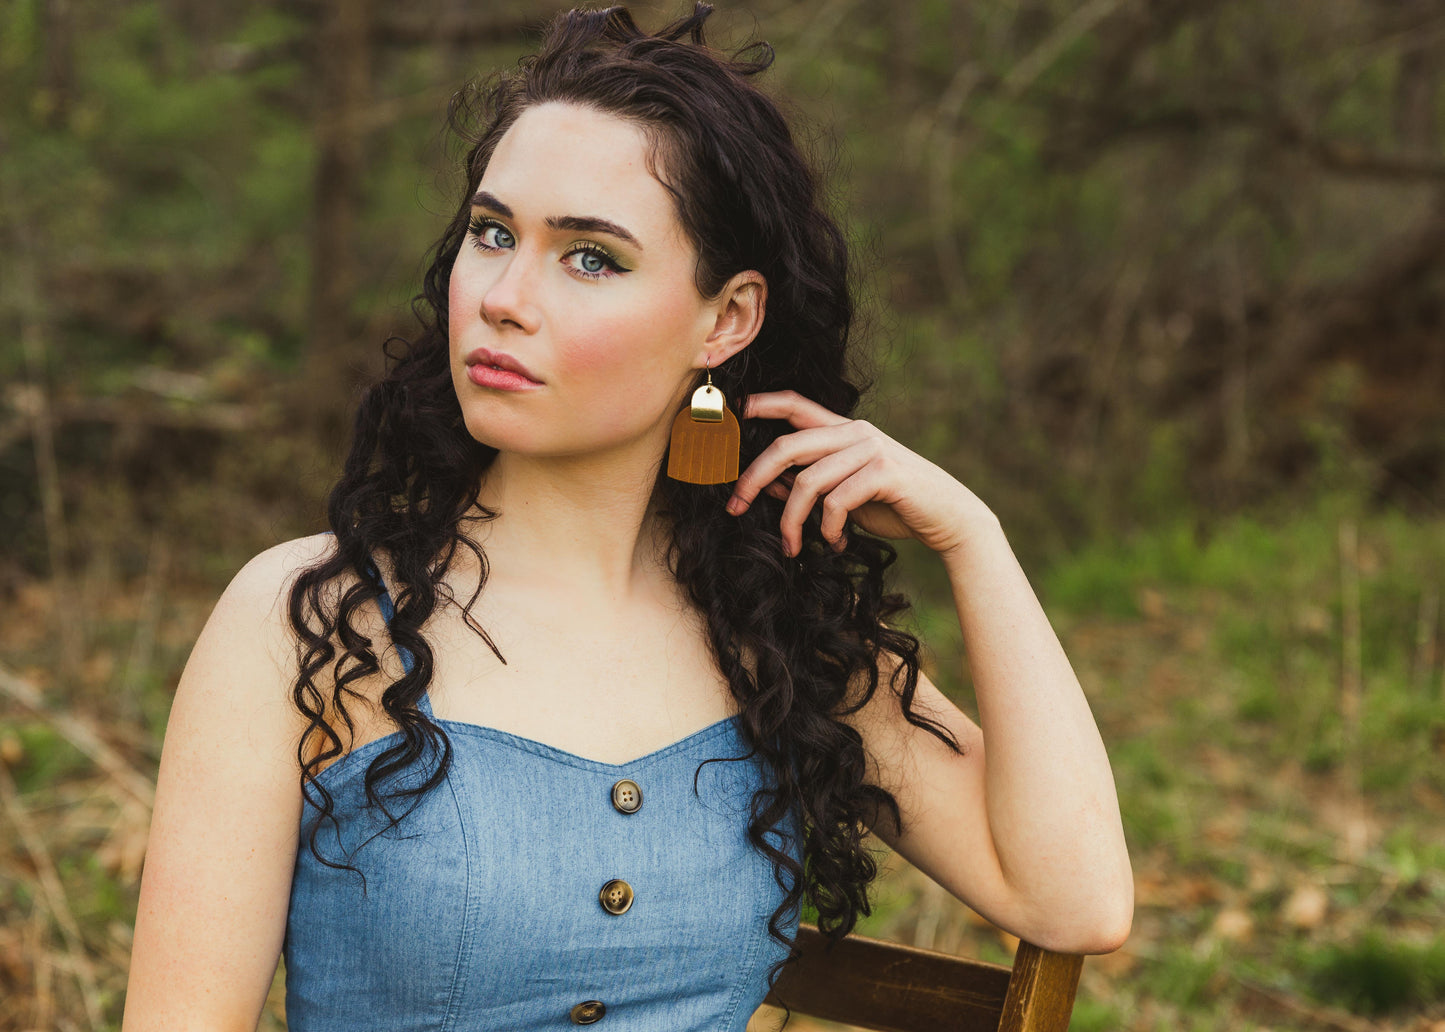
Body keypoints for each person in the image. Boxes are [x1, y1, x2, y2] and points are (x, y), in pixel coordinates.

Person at [121, 4, 1133, 1030]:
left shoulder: (776, 638)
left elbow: (1076, 900)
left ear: (725, 319)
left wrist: (973, 537)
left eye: (589, 256)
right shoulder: (310, 625)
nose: (504, 295)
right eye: (491, 233)